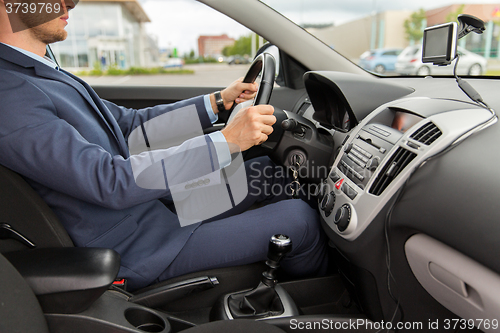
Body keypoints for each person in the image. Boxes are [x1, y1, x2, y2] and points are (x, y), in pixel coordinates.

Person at [0, 0, 328, 290]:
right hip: (136, 245)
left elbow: (128, 126)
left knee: (265, 172)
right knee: (298, 220)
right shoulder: (10, 95)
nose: (71, 2)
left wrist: (216, 102)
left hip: (150, 210)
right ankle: (323, 307)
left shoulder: (40, 71)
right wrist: (227, 140)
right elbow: (109, 181)